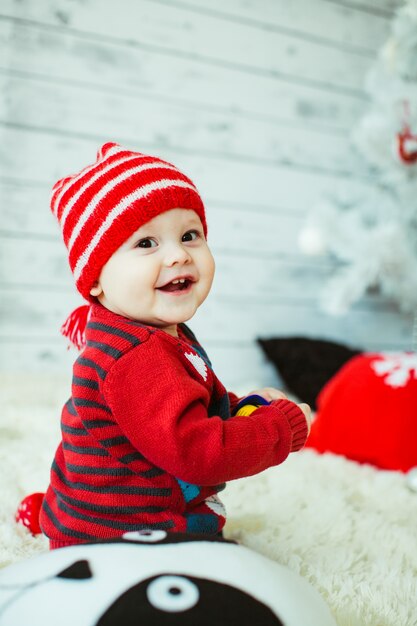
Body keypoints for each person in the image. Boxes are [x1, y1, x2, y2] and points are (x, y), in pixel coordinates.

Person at [39, 142, 311, 549]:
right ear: (95, 279)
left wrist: (238, 407)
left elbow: (179, 405)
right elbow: (198, 454)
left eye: (189, 235)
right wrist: (279, 430)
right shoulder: (137, 358)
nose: (179, 256)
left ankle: (61, 512)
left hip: (95, 494)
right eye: (146, 244)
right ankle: (75, 524)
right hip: (129, 528)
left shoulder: (153, 330)